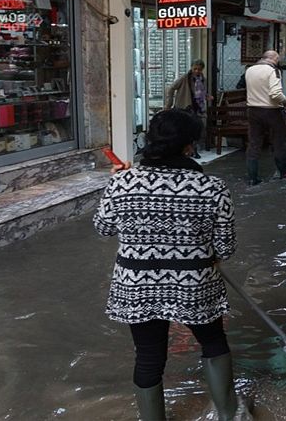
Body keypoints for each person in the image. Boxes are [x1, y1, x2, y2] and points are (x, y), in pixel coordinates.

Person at [93, 109, 251, 421]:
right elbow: (225, 248)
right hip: (194, 283)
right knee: (213, 341)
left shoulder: (123, 182)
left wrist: (116, 184)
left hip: (137, 285)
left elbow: (103, 227)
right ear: (190, 146)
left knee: (149, 355)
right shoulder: (213, 188)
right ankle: (230, 413)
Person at [244, 50, 286, 185]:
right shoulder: (273, 71)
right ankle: (285, 174)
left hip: (253, 111)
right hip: (272, 112)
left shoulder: (249, 70)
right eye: (277, 59)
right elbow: (275, 94)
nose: (278, 62)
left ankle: (252, 178)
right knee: (278, 143)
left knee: (254, 144)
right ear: (273, 58)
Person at [165, 59, 212, 159]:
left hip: (197, 108)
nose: (197, 71)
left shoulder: (203, 79)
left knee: (194, 130)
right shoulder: (185, 78)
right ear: (191, 68)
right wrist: (169, 104)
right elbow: (171, 88)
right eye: (195, 69)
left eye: (199, 69)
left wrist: (207, 96)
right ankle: (182, 150)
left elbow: (201, 93)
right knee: (184, 130)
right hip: (184, 107)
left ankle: (193, 149)